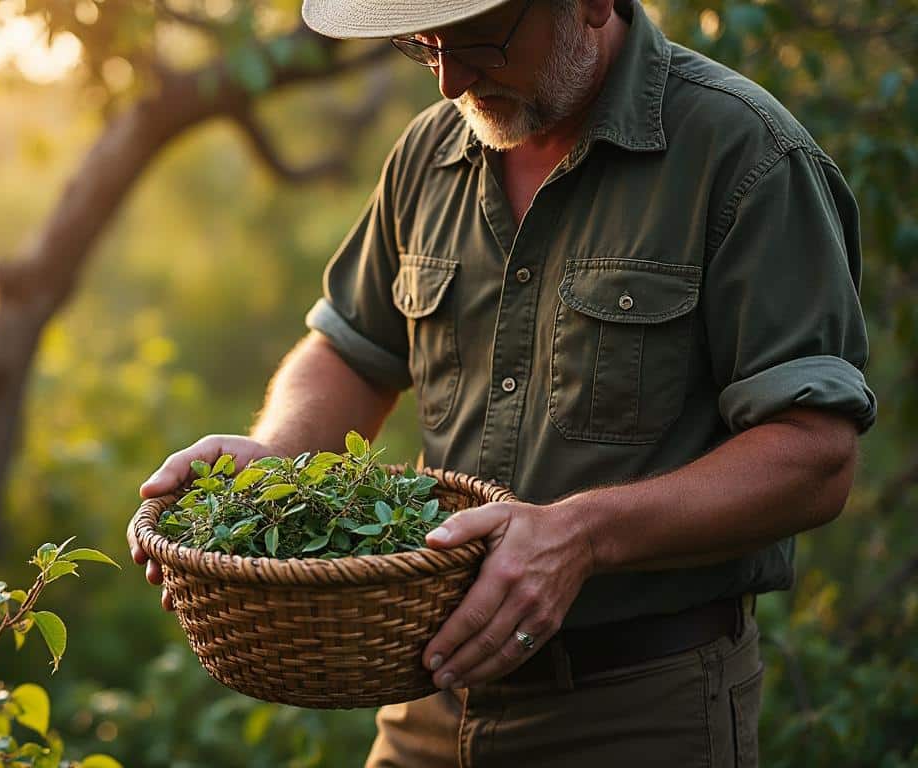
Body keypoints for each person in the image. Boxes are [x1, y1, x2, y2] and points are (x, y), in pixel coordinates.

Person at [129, 0, 876, 763]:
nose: (451, 81)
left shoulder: (743, 153)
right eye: (425, 47)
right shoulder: (430, 152)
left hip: (639, 708)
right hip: (426, 697)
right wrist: (277, 455)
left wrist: (579, 536)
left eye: (479, 39)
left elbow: (813, 455)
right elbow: (351, 350)